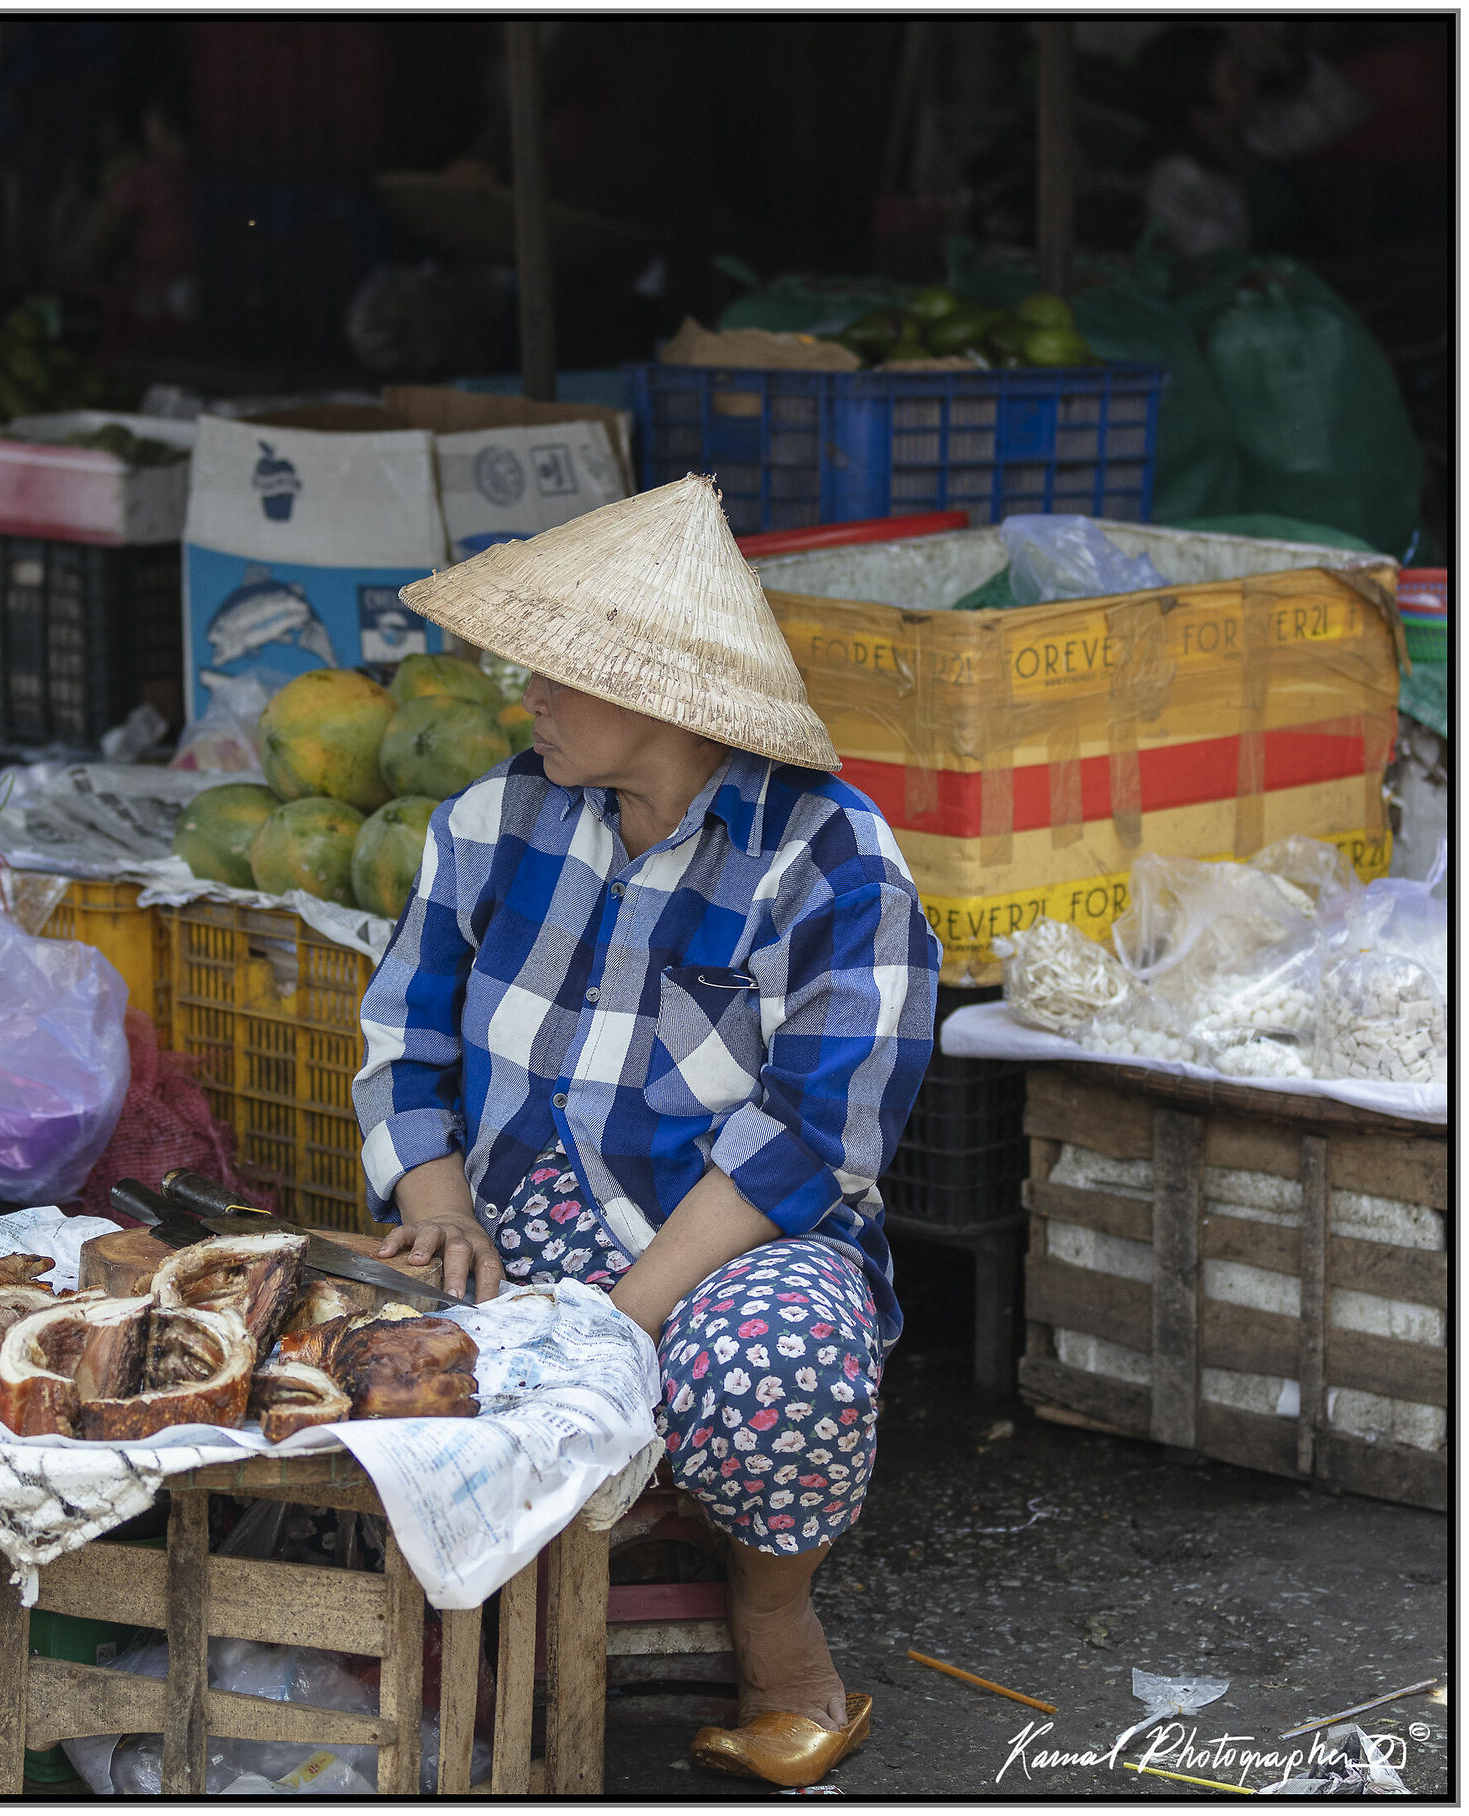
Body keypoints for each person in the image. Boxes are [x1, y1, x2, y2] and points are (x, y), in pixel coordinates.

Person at [354, 477, 936, 1790]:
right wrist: (436, 1205)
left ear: (661, 691)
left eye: (557, 668)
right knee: (346, 1342)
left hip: (729, 1244)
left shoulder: (835, 864)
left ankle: (778, 1631)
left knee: (783, 1362)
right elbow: (404, 1040)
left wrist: (621, 1321)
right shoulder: (491, 823)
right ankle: (455, 1635)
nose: (528, 695)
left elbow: (814, 1136)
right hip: (510, 1231)